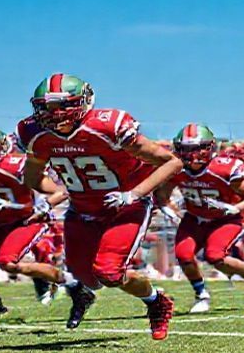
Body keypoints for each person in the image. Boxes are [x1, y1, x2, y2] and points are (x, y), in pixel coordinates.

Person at [18, 73, 183, 339]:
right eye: (46, 107)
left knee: (109, 272)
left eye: (61, 105)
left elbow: (171, 162)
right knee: (86, 278)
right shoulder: (34, 134)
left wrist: (134, 194)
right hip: (81, 210)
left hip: (124, 208)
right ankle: (91, 296)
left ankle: (156, 302)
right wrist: (54, 197)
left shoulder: (107, 126)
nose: (53, 114)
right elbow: (33, 178)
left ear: (83, 102)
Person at [0, 126, 82, 326]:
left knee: (8, 262)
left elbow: (61, 191)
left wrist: (43, 206)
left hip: (25, 220)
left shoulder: (17, 167)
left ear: (1, 146)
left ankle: (72, 283)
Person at [155, 123, 244, 313]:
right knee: (184, 255)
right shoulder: (176, 168)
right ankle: (201, 295)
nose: (190, 154)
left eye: (195, 148)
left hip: (225, 219)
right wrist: (167, 208)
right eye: (185, 149)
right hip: (194, 217)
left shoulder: (223, 169)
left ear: (209, 147)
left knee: (216, 256)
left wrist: (235, 208)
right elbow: (162, 194)